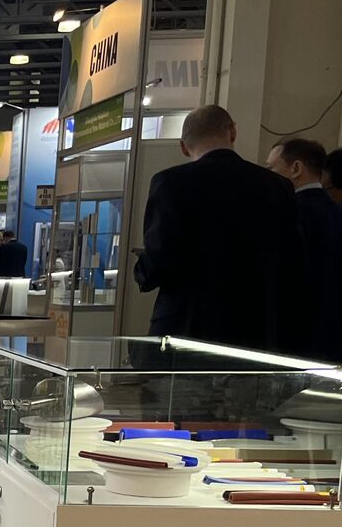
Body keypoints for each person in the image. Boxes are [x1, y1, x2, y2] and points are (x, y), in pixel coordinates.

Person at [133, 104, 306, 352]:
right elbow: (292, 261)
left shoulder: (170, 183)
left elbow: (161, 259)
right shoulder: (277, 186)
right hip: (254, 330)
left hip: (186, 328)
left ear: (183, 147)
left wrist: (141, 269)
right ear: (233, 132)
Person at [268, 137, 342, 360]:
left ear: (296, 169)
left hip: (291, 336)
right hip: (333, 337)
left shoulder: (286, 215)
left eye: (271, 168)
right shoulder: (337, 213)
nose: (268, 176)